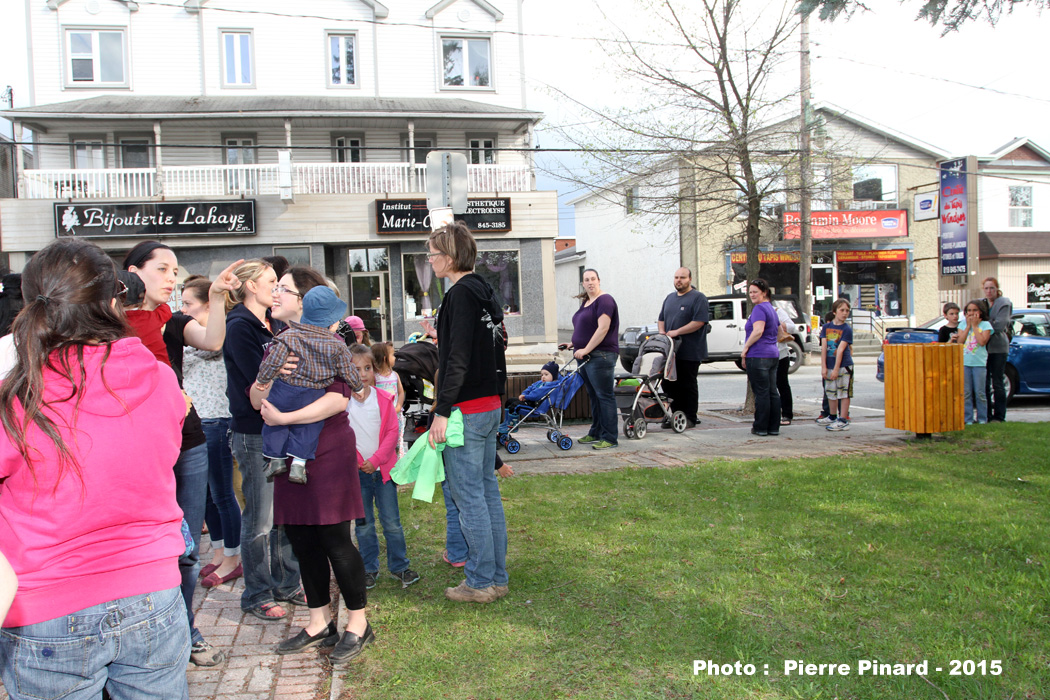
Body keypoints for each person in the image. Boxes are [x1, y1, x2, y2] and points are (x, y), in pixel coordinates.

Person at [0, 239, 191, 698]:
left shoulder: (21, 392)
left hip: (48, 601)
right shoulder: (159, 378)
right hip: (152, 591)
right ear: (112, 301)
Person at [124, 240, 239, 667]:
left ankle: (185, 631)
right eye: (163, 269)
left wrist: (216, 299)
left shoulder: (170, 320)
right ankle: (145, 637)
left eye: (175, 270)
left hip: (186, 442)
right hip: (136, 450)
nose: (172, 278)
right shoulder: (103, 323)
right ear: (133, 272)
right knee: (139, 548)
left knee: (187, 548)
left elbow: (211, 340)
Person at [256, 266, 374, 664]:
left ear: (305, 302)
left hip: (326, 452)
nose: (275, 295)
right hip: (290, 455)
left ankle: (358, 624)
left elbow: (341, 400)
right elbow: (256, 400)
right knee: (302, 540)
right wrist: (266, 386)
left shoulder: (332, 341)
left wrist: (284, 419)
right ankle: (319, 621)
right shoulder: (279, 342)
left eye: (283, 289)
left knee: (335, 541)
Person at [426, 221, 510, 603]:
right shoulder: (484, 292)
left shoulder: (460, 295)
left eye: (433, 253)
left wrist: (441, 410)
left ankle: (479, 583)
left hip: (467, 409)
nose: (429, 260)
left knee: (469, 497)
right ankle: (496, 577)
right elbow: (495, 352)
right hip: (490, 403)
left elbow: (457, 357)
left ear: (450, 256)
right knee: (486, 494)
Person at [223, 259, 304, 621]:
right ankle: (257, 593)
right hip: (254, 433)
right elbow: (260, 376)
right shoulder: (239, 326)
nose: (277, 290)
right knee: (260, 518)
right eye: (272, 282)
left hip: (281, 429)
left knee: (286, 514)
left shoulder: (272, 324)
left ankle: (288, 582)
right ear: (251, 286)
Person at [257, 286, 363, 485]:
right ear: (332, 325)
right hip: (313, 394)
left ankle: (275, 458)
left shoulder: (287, 337)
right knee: (309, 428)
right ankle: (299, 463)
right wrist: (358, 387)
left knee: (272, 421)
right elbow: (347, 371)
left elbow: (272, 362)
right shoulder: (337, 345)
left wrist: (263, 379)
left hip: (285, 390)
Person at [180, 276, 242, 588]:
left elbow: (212, 346)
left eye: (188, 304)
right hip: (195, 421)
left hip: (216, 421)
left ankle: (234, 556)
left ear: (208, 303)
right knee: (206, 497)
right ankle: (219, 553)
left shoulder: (220, 333)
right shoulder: (189, 336)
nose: (183, 310)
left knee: (222, 493)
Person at [344, 344, 420, 590]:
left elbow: (391, 432)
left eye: (368, 368)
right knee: (364, 525)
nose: (363, 373)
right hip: (357, 474)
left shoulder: (384, 399)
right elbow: (342, 434)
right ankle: (368, 569)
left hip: (384, 473)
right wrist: (359, 460)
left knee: (392, 522)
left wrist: (376, 460)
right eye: (357, 369)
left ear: (375, 370)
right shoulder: (342, 403)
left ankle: (400, 566)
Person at [569, 269, 620, 450]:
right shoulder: (587, 302)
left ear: (599, 281)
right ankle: (596, 432)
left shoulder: (605, 300)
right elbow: (587, 327)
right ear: (583, 283)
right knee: (594, 396)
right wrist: (573, 343)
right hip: (585, 355)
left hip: (600, 355)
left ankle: (610, 438)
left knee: (604, 396)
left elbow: (603, 329)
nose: (590, 282)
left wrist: (586, 349)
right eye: (586, 280)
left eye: (593, 279)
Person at [657, 267, 709, 428]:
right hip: (671, 352)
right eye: (676, 277)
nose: (679, 280)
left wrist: (677, 332)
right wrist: (662, 333)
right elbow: (661, 319)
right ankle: (675, 416)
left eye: (682, 277)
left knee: (687, 385)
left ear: (690, 279)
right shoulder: (669, 298)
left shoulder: (698, 298)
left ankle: (690, 417)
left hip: (690, 351)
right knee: (669, 384)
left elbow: (699, 321)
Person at [444, 453, 514, 568]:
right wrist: (499, 464)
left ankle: (458, 555)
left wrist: (499, 464)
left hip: (454, 464)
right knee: (481, 506)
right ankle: (491, 555)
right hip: (477, 464)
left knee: (456, 509)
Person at [740, 279, 781, 437]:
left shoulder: (758, 309)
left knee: (762, 393)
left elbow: (758, 331)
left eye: (755, 292)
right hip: (772, 354)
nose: (752, 295)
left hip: (758, 355)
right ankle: (773, 426)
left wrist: (745, 349)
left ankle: (761, 427)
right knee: (772, 392)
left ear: (764, 292)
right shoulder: (771, 309)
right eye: (750, 292)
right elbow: (779, 331)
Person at [953, 299, 993, 424]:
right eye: (969, 310)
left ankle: (982, 419)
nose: (971, 313)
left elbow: (982, 342)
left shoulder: (985, 325)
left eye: (975, 310)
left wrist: (975, 326)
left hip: (979, 363)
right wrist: (968, 326)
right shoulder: (962, 324)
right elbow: (960, 342)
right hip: (965, 362)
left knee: (980, 393)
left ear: (980, 312)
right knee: (966, 392)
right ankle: (968, 419)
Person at [818, 298, 854, 432]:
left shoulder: (847, 329)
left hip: (844, 365)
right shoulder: (826, 327)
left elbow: (840, 350)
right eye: (842, 310)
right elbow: (824, 347)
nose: (844, 313)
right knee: (831, 391)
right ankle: (832, 416)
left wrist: (836, 369)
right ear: (834, 312)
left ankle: (843, 419)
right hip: (829, 364)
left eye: (847, 311)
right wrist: (824, 367)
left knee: (843, 392)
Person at [498, 360, 559, 434]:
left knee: (514, 406)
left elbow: (537, 395)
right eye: (542, 375)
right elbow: (530, 387)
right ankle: (506, 422)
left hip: (535, 406)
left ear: (554, 377)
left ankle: (511, 426)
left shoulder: (549, 386)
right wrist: (524, 394)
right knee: (509, 401)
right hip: (529, 401)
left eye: (546, 375)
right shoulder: (540, 383)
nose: (543, 377)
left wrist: (526, 396)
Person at [983, 277, 1013, 422]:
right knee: (984, 382)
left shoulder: (1004, 303)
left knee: (997, 382)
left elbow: (999, 326)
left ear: (997, 289)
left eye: (992, 288)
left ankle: (999, 416)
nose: (989, 291)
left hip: (998, 348)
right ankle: (986, 415)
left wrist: (984, 324)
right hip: (984, 347)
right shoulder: (982, 303)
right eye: (986, 288)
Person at [371, 341, 407, 455]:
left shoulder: (394, 375)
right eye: (393, 355)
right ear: (385, 358)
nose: (395, 357)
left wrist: (399, 406)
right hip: (382, 417)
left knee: (397, 440)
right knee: (383, 441)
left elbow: (401, 392)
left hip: (396, 415)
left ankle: (398, 461)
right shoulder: (374, 378)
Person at [774, 304, 799, 426]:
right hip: (764, 355)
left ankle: (787, 414)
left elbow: (792, 327)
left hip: (781, 354)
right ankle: (773, 414)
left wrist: (779, 324)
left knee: (782, 384)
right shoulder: (755, 313)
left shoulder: (778, 312)